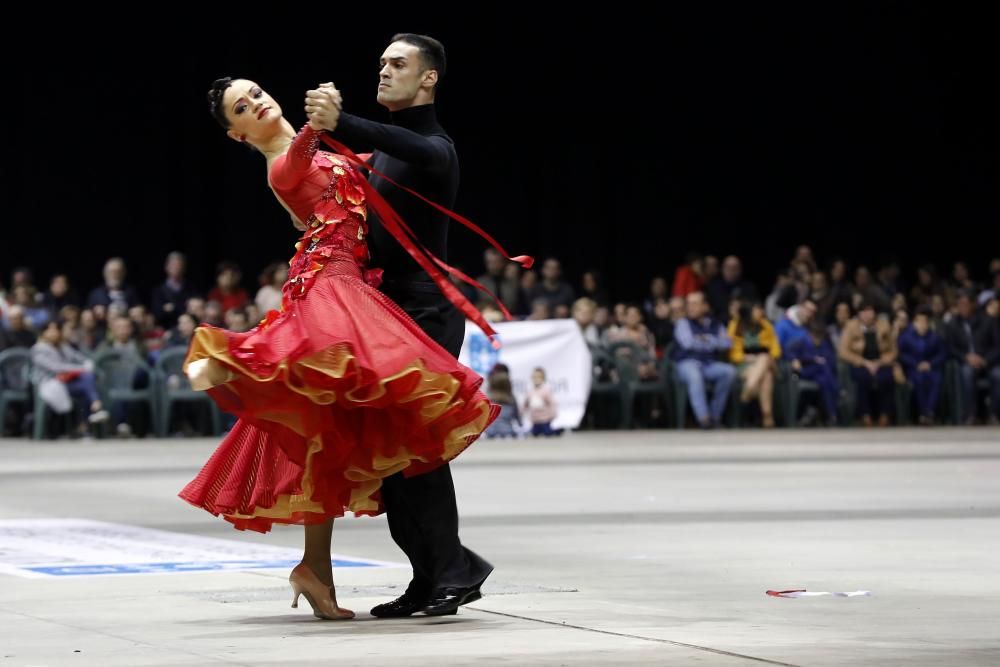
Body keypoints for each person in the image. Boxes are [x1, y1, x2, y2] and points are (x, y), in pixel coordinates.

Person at [182, 73, 503, 621]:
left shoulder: (328, 152)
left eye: (256, 93)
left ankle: (318, 568)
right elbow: (307, 145)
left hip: (357, 288)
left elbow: (371, 169)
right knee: (348, 422)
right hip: (330, 290)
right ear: (237, 135)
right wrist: (324, 113)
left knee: (326, 433)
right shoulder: (283, 163)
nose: (256, 105)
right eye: (242, 107)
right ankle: (227, 358)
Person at [306, 33, 531, 616]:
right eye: (380, 62)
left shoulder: (434, 146)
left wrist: (343, 121)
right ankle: (433, 575)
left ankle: (453, 571)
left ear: (428, 78)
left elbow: (411, 145)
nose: (384, 70)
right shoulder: (384, 152)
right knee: (394, 458)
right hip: (389, 312)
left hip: (426, 312)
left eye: (398, 64)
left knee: (416, 452)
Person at [727, 302, 780, 427]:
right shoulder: (735, 325)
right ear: (749, 312)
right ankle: (767, 416)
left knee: (765, 358)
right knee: (766, 376)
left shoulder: (766, 325)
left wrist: (766, 357)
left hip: (768, 363)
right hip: (743, 365)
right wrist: (746, 358)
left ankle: (747, 393)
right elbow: (732, 352)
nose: (761, 312)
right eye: (757, 310)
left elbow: (775, 348)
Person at [898, 306, 947, 425]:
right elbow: (901, 354)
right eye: (919, 321)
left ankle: (929, 412)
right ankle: (922, 413)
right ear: (914, 322)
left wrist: (930, 363)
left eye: (925, 321)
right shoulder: (906, 336)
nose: (922, 324)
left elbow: (942, 353)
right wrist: (916, 364)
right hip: (913, 369)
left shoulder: (934, 337)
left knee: (936, 380)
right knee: (919, 380)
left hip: (931, 368)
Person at [523, 367, 560, 436]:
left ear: (543, 379)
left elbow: (552, 403)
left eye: (539, 377)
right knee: (534, 433)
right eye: (534, 377)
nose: (536, 379)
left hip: (545, 418)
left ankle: (557, 431)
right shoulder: (530, 391)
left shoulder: (546, 391)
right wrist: (523, 411)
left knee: (547, 432)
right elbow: (526, 404)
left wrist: (553, 414)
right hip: (535, 419)